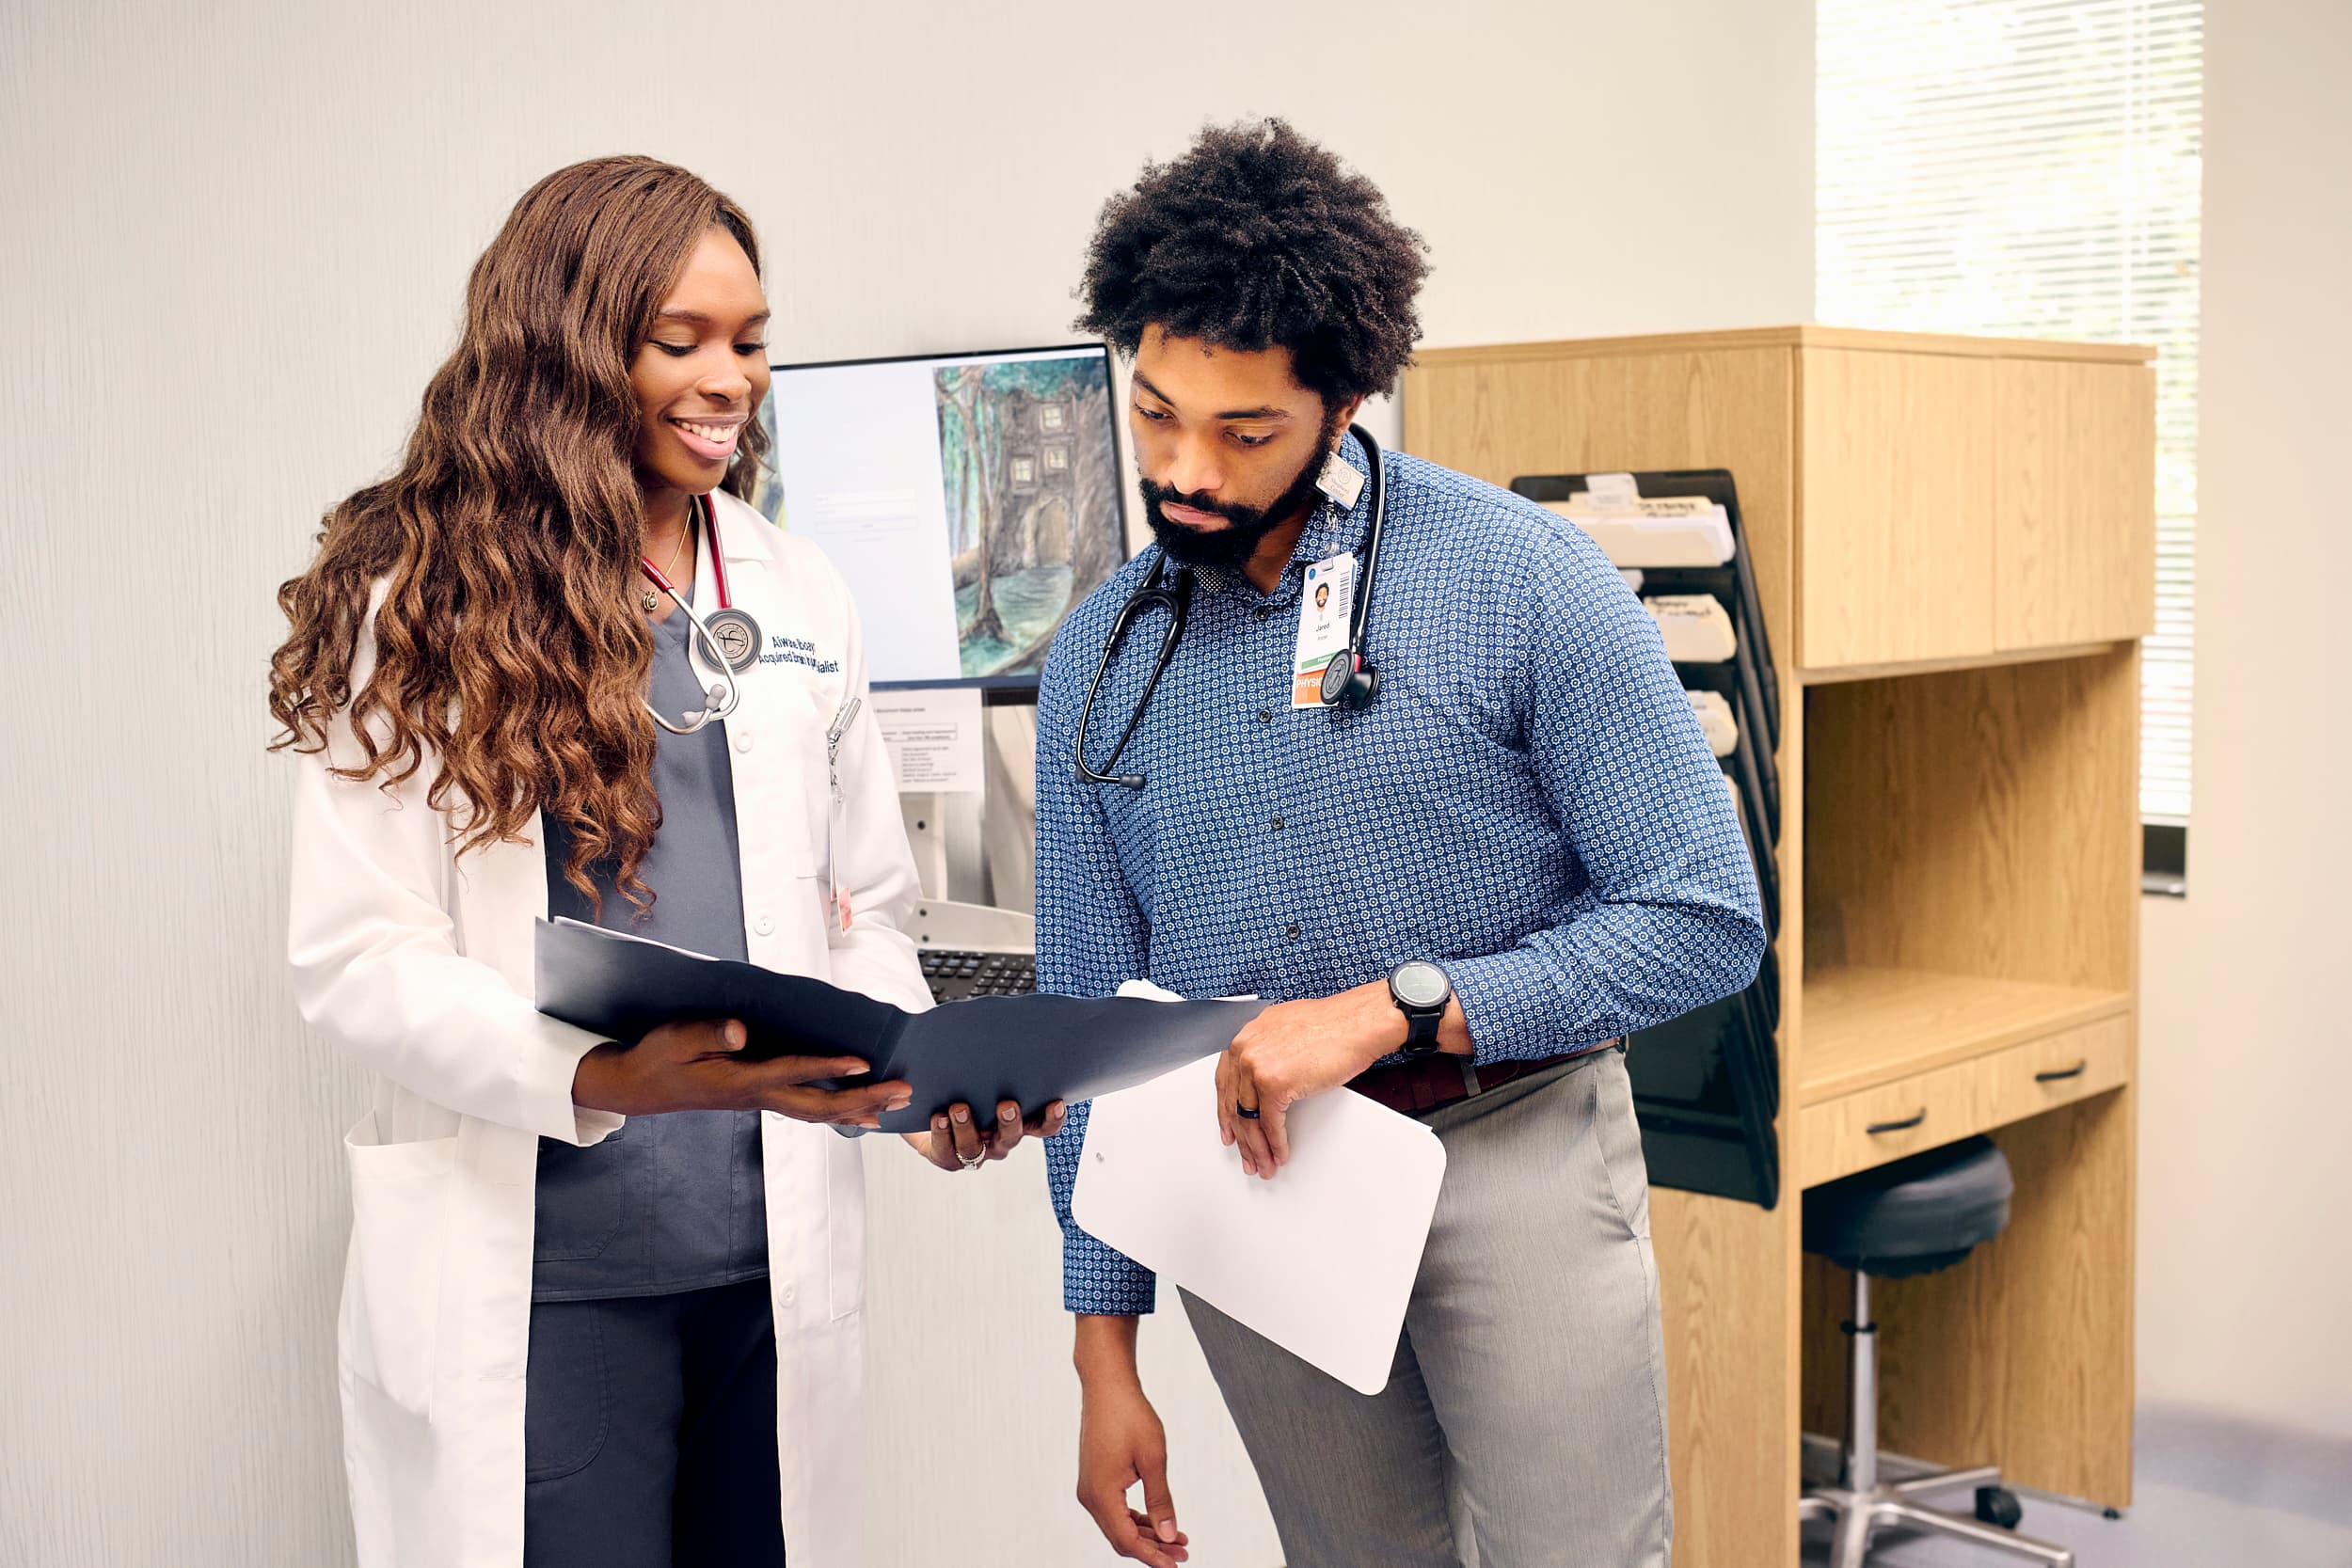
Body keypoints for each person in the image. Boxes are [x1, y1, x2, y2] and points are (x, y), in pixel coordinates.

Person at [270, 155, 1056, 1568]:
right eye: (679, 340)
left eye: (750, 340)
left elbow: (869, 902)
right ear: (571, 352)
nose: (730, 378)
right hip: (546, 1281)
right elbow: (357, 953)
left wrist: (908, 1067)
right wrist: (594, 1074)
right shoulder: (426, 598)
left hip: (767, 1263)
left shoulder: (795, 587)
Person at [1033, 121, 1767, 1568]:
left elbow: (1704, 912)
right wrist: (1102, 1353)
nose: (1185, 472)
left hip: (1517, 1151)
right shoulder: (1096, 662)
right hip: (1261, 1186)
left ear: (1346, 400)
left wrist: (1395, 1008)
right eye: (1156, 414)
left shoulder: (1523, 582)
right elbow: (1091, 1042)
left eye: (1244, 435)